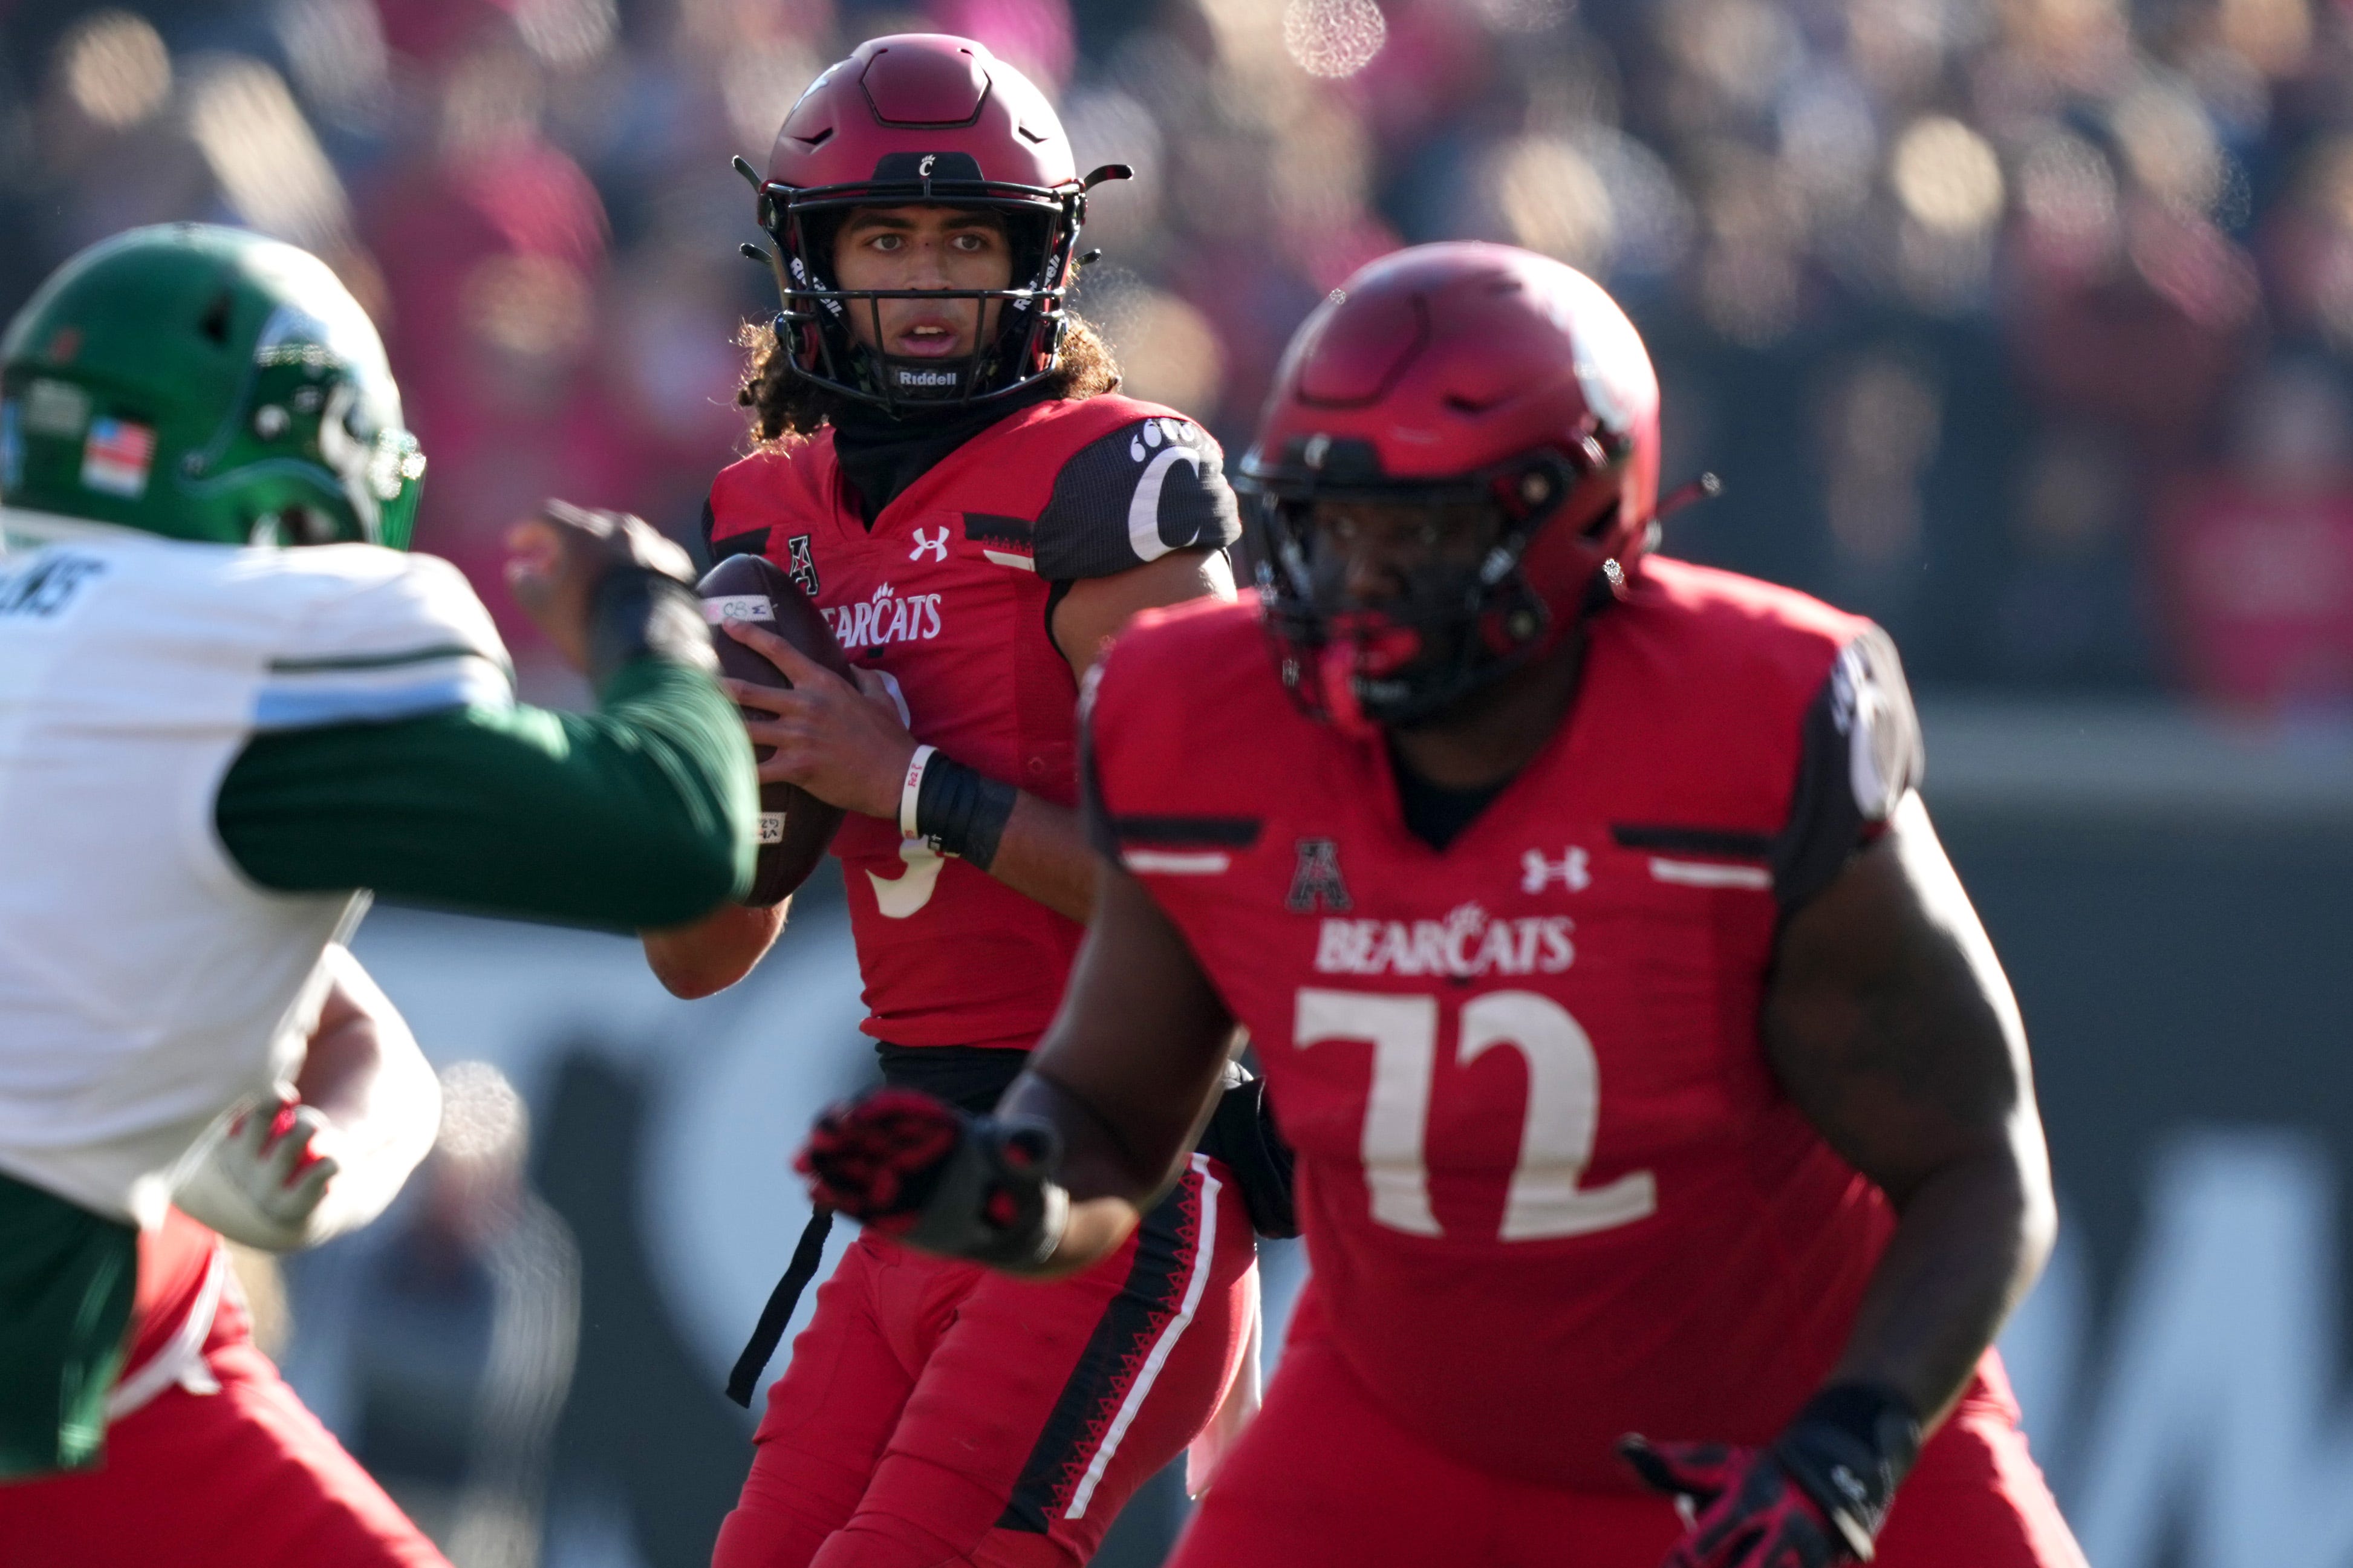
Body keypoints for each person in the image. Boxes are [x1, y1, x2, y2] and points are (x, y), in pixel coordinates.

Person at [797, 242, 2093, 1568]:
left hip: (1766, 1428)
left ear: (1577, 512)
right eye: (1326, 523)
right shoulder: (1198, 709)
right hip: (1407, 1429)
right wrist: (1007, 1189)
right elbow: (1111, 1112)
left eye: (1412, 532)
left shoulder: (1759, 720)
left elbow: (1976, 1164)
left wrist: (1846, 1454)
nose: (1355, 575)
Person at [0, 222, 756, 1566]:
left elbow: (313, 1006)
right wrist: (651, 622)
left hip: (108, 1311)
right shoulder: (244, 651)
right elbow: (680, 833)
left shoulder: (60, 658)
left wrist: (344, 1148)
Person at [639, 34, 1265, 1568]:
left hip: (1117, 1169)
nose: (926, 278)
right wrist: (707, 809)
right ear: (811, 260)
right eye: (886, 237)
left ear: (1037, 260)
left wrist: (904, 781)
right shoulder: (762, 517)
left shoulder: (1108, 489)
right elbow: (699, 954)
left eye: (967, 238)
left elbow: (1230, 910)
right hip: (919, 1165)